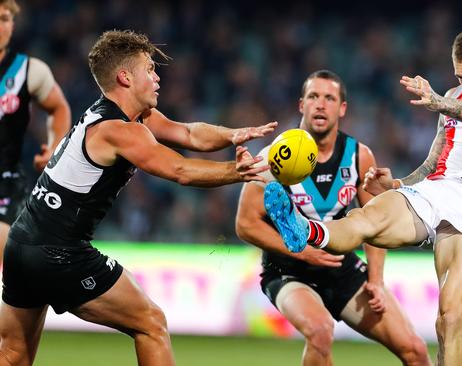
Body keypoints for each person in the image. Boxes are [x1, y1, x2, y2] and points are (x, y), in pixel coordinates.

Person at [264, 28, 462, 366]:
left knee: (449, 318)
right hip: (432, 191)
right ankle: (303, 229)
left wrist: (438, 101)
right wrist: (396, 184)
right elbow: (431, 165)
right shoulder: (455, 98)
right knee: (364, 219)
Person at [0, 30, 277, 366]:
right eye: (150, 69)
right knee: (151, 324)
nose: (158, 77)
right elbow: (180, 171)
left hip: (21, 245)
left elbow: (189, 133)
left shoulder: (118, 117)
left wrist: (232, 134)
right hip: (59, 252)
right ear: (125, 77)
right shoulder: (119, 132)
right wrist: (240, 171)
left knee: (14, 355)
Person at [236, 70, 431, 366]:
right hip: (288, 270)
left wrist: (376, 280)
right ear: (301, 105)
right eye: (313, 97)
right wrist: (302, 252)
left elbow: (375, 223)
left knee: (415, 350)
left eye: (329, 98)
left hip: (341, 267)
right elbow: (245, 224)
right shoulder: (274, 157)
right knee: (320, 331)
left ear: (342, 109)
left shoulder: (358, 156)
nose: (320, 104)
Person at [0, 0, 71, 265]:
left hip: (6, 184)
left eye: (5, 19)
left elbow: (59, 108)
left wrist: (54, 147)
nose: (0, 26)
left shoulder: (28, 71)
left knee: (12, 256)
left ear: (13, 25)